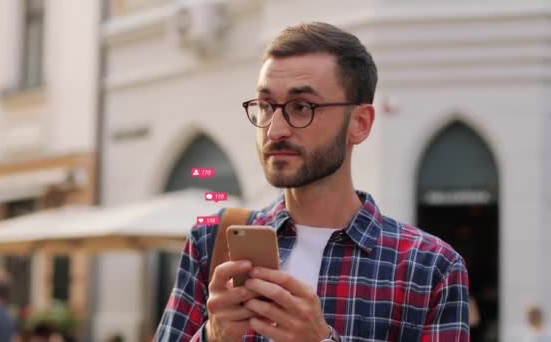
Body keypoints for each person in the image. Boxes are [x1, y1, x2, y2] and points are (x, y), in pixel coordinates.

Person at [154, 22, 469, 341]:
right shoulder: (212, 243)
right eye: (265, 106)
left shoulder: (430, 268)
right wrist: (214, 335)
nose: (274, 130)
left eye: (301, 107)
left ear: (359, 123)